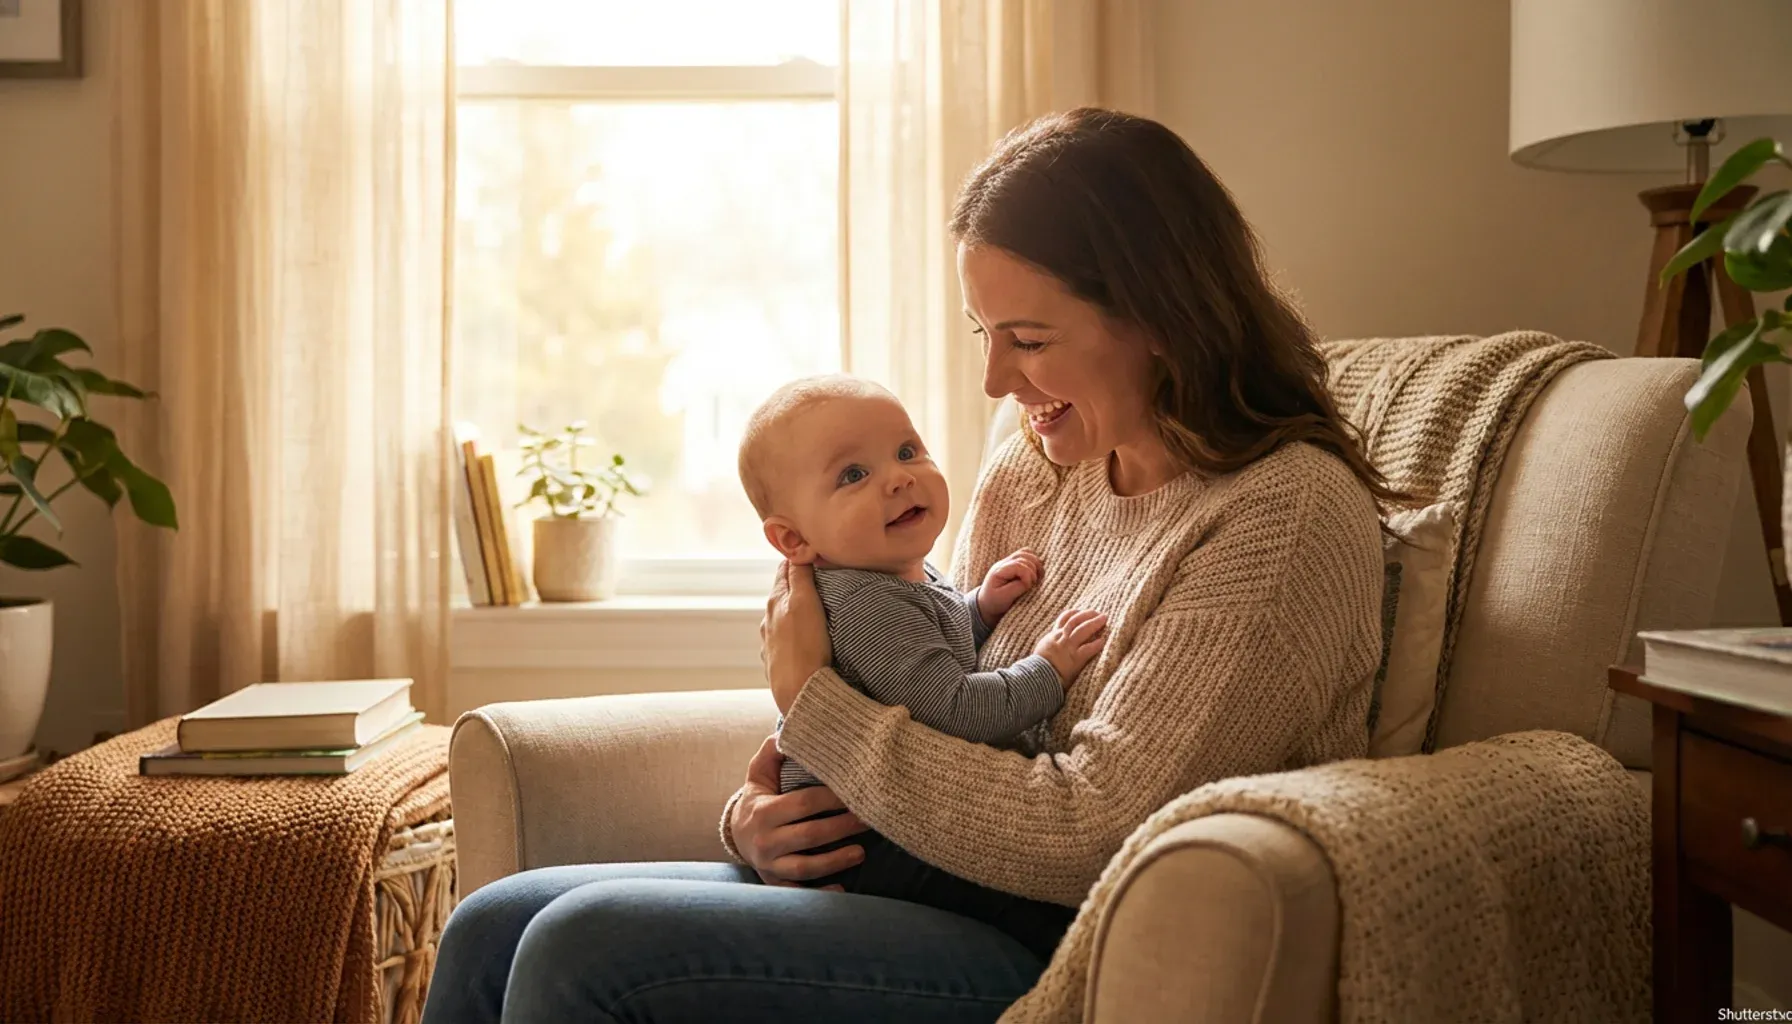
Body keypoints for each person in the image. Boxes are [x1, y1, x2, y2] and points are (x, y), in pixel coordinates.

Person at [422, 106, 1397, 1024]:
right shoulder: (1042, 462)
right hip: (921, 881)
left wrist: (812, 701)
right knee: (492, 923)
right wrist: (755, 819)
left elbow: (1093, 832)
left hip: (1056, 937)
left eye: (1028, 339)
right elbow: (931, 685)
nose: (995, 381)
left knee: (581, 944)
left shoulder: (1282, 515)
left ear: (1158, 315)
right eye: (985, 334)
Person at [734, 373, 1107, 958]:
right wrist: (1048, 669)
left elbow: (928, 655)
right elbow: (955, 709)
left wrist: (979, 607)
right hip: (869, 853)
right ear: (792, 539)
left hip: (880, 839)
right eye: (853, 475)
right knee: (1040, 924)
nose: (900, 477)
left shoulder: (891, 575)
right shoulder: (863, 602)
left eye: (907, 451)